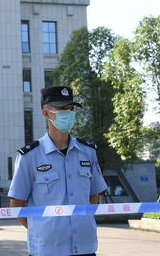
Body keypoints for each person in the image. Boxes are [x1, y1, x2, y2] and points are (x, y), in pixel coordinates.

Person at [8, 86, 107, 256]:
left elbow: (94, 196)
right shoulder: (29, 156)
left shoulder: (88, 152)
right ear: (46, 114)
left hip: (85, 248)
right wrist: (40, 228)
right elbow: (17, 205)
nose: (68, 114)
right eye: (62, 109)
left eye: (70, 109)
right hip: (47, 250)